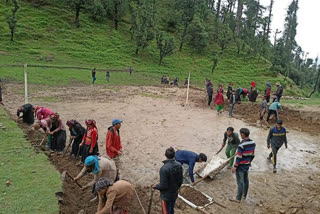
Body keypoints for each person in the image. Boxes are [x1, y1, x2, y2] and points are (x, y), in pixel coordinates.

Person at [152, 147, 183, 214]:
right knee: (171, 209)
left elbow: (163, 186)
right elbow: (180, 181)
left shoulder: (164, 169)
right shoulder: (179, 165)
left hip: (166, 196)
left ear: (165, 155)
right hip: (174, 193)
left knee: (165, 211)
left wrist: (156, 186)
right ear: (174, 155)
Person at [229, 128, 256, 203]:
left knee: (240, 182)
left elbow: (239, 157)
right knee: (246, 180)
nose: (240, 135)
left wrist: (235, 166)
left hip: (241, 166)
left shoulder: (241, 144)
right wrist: (249, 162)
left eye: (241, 134)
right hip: (247, 165)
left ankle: (238, 198)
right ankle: (244, 195)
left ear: (243, 134)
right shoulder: (253, 142)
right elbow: (253, 155)